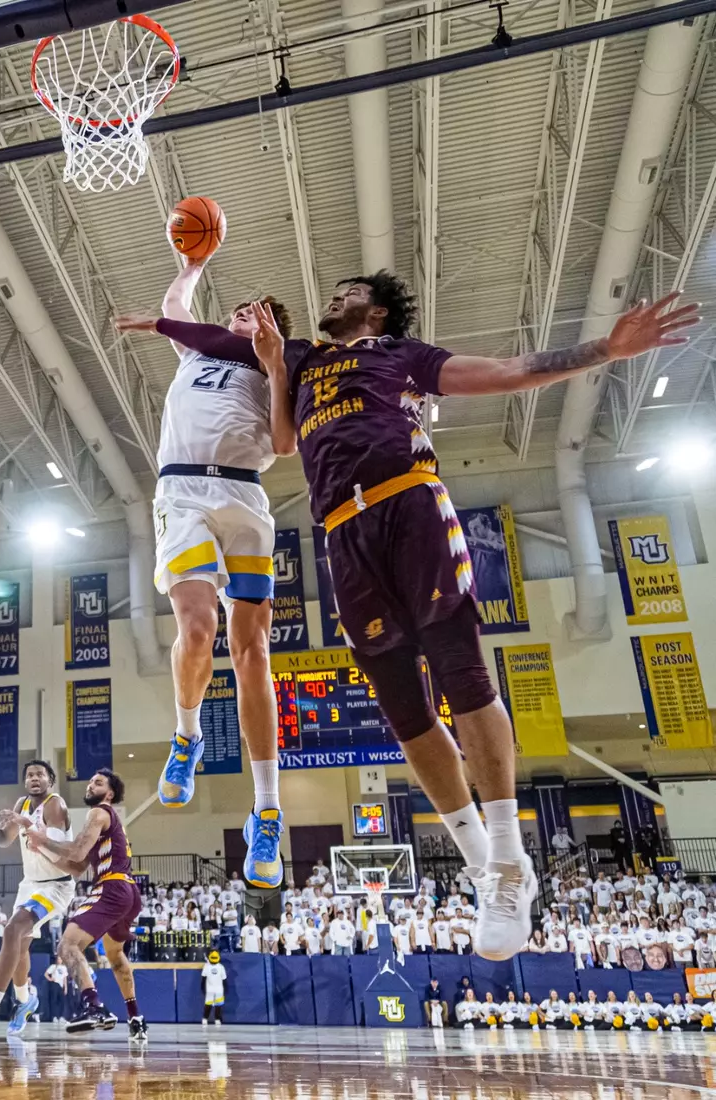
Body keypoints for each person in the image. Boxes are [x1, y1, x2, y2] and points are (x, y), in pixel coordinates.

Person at [229, 278, 694, 960]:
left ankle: (507, 853)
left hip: (408, 502)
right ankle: (485, 867)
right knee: (403, 714)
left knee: (460, 672)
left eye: (348, 289)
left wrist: (603, 349)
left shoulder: (399, 355)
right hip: (339, 531)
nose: (332, 296)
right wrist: (271, 365)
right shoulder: (303, 362)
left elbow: (506, 373)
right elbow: (281, 440)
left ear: (376, 309)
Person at [113, 263, 289, 889]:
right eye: (240, 308)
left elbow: (287, 442)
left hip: (245, 499)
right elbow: (175, 301)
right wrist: (194, 263)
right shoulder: (196, 350)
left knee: (253, 651)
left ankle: (267, 808)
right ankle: (187, 737)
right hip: (182, 492)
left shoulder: (279, 365)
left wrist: (274, 364)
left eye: (258, 310)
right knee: (197, 627)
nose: (245, 313)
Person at [25, 768, 145, 1039]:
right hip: (128, 892)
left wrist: (43, 838)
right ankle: (136, 1016)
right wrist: (43, 847)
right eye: (91, 781)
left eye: (98, 782)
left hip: (111, 887)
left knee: (67, 945)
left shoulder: (99, 812)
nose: (91, 785)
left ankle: (94, 1006)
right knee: (115, 955)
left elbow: (77, 850)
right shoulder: (108, 823)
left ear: (110, 793)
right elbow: (78, 867)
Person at [0, 759, 72, 1035]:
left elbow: (61, 851)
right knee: (19, 946)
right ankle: (25, 1001)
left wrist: (30, 827)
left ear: (51, 780)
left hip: (55, 885)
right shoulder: (22, 804)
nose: (34, 778)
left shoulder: (55, 805)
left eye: (40, 774)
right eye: (30, 775)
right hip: (31, 884)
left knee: (12, 930)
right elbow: (2, 839)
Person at [200, 948, 227, 1026]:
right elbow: (203, 979)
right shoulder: (206, 966)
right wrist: (203, 988)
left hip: (219, 990)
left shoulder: (221, 967)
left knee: (218, 1006)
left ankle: (217, 1019)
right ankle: (205, 1018)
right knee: (208, 1005)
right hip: (209, 989)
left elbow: (224, 979)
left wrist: (225, 989)